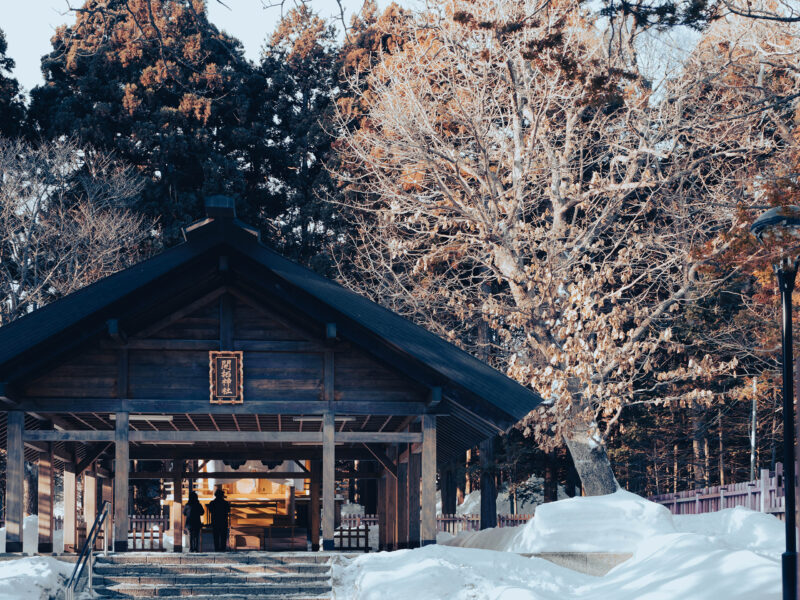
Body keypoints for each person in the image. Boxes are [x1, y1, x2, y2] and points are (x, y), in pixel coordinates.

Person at [208, 487, 230, 552]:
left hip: (215, 521)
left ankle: (216, 548)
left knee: (216, 536)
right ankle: (223, 548)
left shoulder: (212, 503)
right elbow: (228, 510)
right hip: (223, 521)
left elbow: (211, 511)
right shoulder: (225, 503)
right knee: (223, 536)